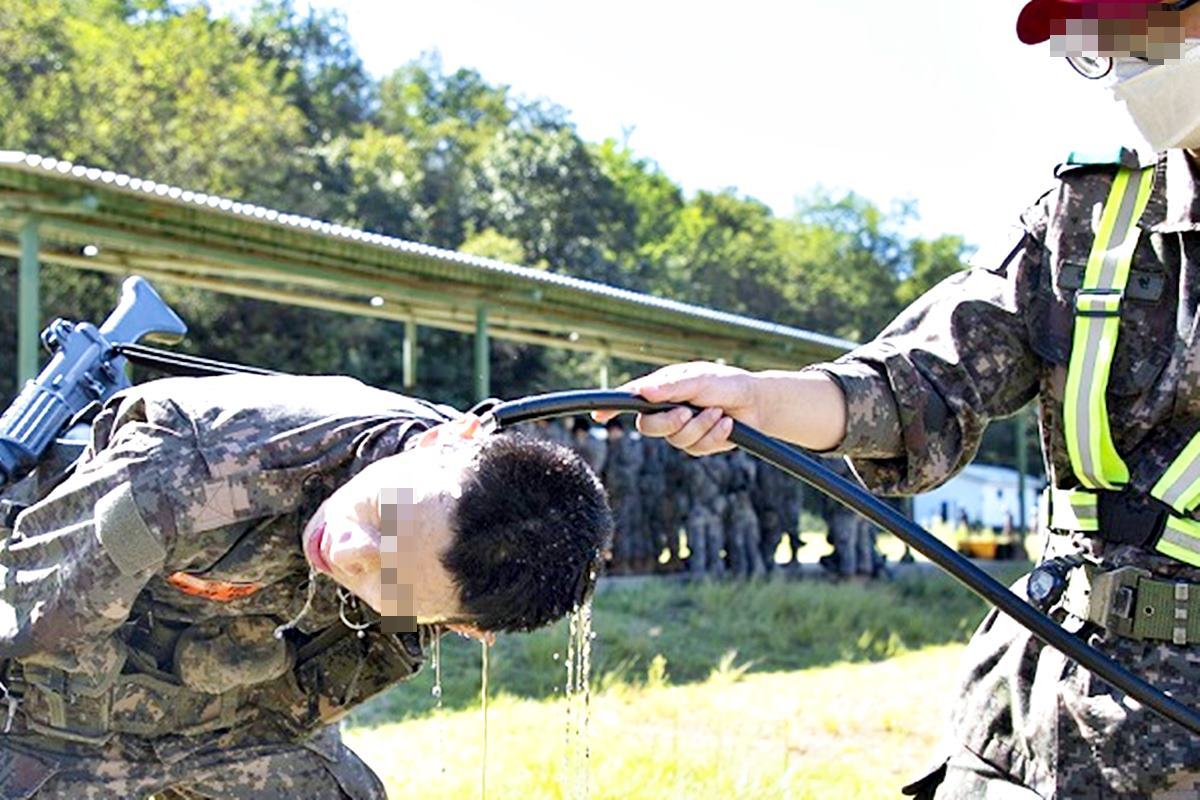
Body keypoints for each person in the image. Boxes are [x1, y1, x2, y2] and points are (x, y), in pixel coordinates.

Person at [596, 2, 1200, 795]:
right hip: (1034, 717)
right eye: (1100, 44)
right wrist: (756, 399)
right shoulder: (1094, 210)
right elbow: (924, 381)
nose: (1122, 60)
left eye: (1136, 28)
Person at [0, 373, 612, 799]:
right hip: (49, 706)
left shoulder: (456, 544)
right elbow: (38, 639)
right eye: (383, 514)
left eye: (389, 579)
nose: (346, 550)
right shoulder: (187, 470)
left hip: (230, 724)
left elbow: (302, 703)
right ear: (440, 444)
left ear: (459, 626)